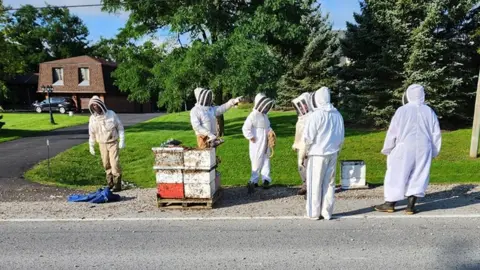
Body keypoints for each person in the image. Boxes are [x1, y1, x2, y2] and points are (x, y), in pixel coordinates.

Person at [374, 84, 441, 214]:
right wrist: (434, 151)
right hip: (424, 147)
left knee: (397, 173)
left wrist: (388, 148)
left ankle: (390, 203)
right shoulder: (429, 111)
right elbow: (436, 133)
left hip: (404, 146)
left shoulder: (402, 110)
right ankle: (410, 206)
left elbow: (393, 131)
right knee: (419, 173)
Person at [301, 87, 344, 220]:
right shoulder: (337, 115)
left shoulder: (316, 115)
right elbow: (341, 136)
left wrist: (303, 154)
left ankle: (313, 213)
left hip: (317, 154)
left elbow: (307, 138)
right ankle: (327, 212)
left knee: (315, 183)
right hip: (332, 153)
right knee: (329, 184)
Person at [88, 95, 125, 192]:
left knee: (114, 163)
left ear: (101, 105)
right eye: (93, 106)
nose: (95, 107)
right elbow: (91, 133)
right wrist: (91, 145)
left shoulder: (111, 114)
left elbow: (120, 127)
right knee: (106, 164)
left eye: (96, 105)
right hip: (101, 144)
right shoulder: (92, 119)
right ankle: (110, 183)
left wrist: (122, 140)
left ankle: (117, 185)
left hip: (112, 142)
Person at [242, 93, 275, 193]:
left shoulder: (265, 116)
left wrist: (271, 132)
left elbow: (268, 126)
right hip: (256, 142)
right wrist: (250, 137)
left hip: (265, 141)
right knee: (256, 160)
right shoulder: (252, 116)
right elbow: (245, 128)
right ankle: (253, 180)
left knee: (266, 160)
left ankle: (266, 179)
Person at [292, 92, 313, 196]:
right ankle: (305, 185)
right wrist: (296, 144)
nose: (301, 107)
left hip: (310, 147)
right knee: (301, 166)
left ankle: (310, 188)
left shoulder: (312, 117)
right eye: (300, 105)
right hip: (301, 146)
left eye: (303, 105)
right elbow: (298, 133)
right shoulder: (301, 118)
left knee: (309, 166)